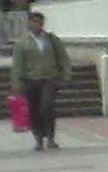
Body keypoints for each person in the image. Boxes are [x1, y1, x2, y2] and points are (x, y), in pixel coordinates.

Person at [9, 11, 70, 153]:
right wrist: (16, 85)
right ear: (29, 24)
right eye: (35, 22)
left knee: (47, 106)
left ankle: (50, 138)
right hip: (31, 80)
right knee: (34, 110)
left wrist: (66, 76)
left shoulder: (51, 39)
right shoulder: (22, 43)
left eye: (40, 22)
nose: (38, 25)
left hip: (49, 79)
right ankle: (38, 139)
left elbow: (63, 58)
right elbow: (18, 65)